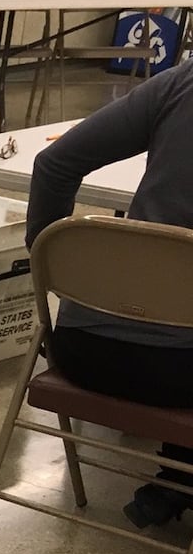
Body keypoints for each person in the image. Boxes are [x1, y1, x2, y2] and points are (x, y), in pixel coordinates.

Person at [26, 60, 193, 528]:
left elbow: (54, 163)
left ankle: (176, 478)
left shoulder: (181, 82)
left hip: (81, 351)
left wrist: (50, 269)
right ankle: (178, 478)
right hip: (182, 376)